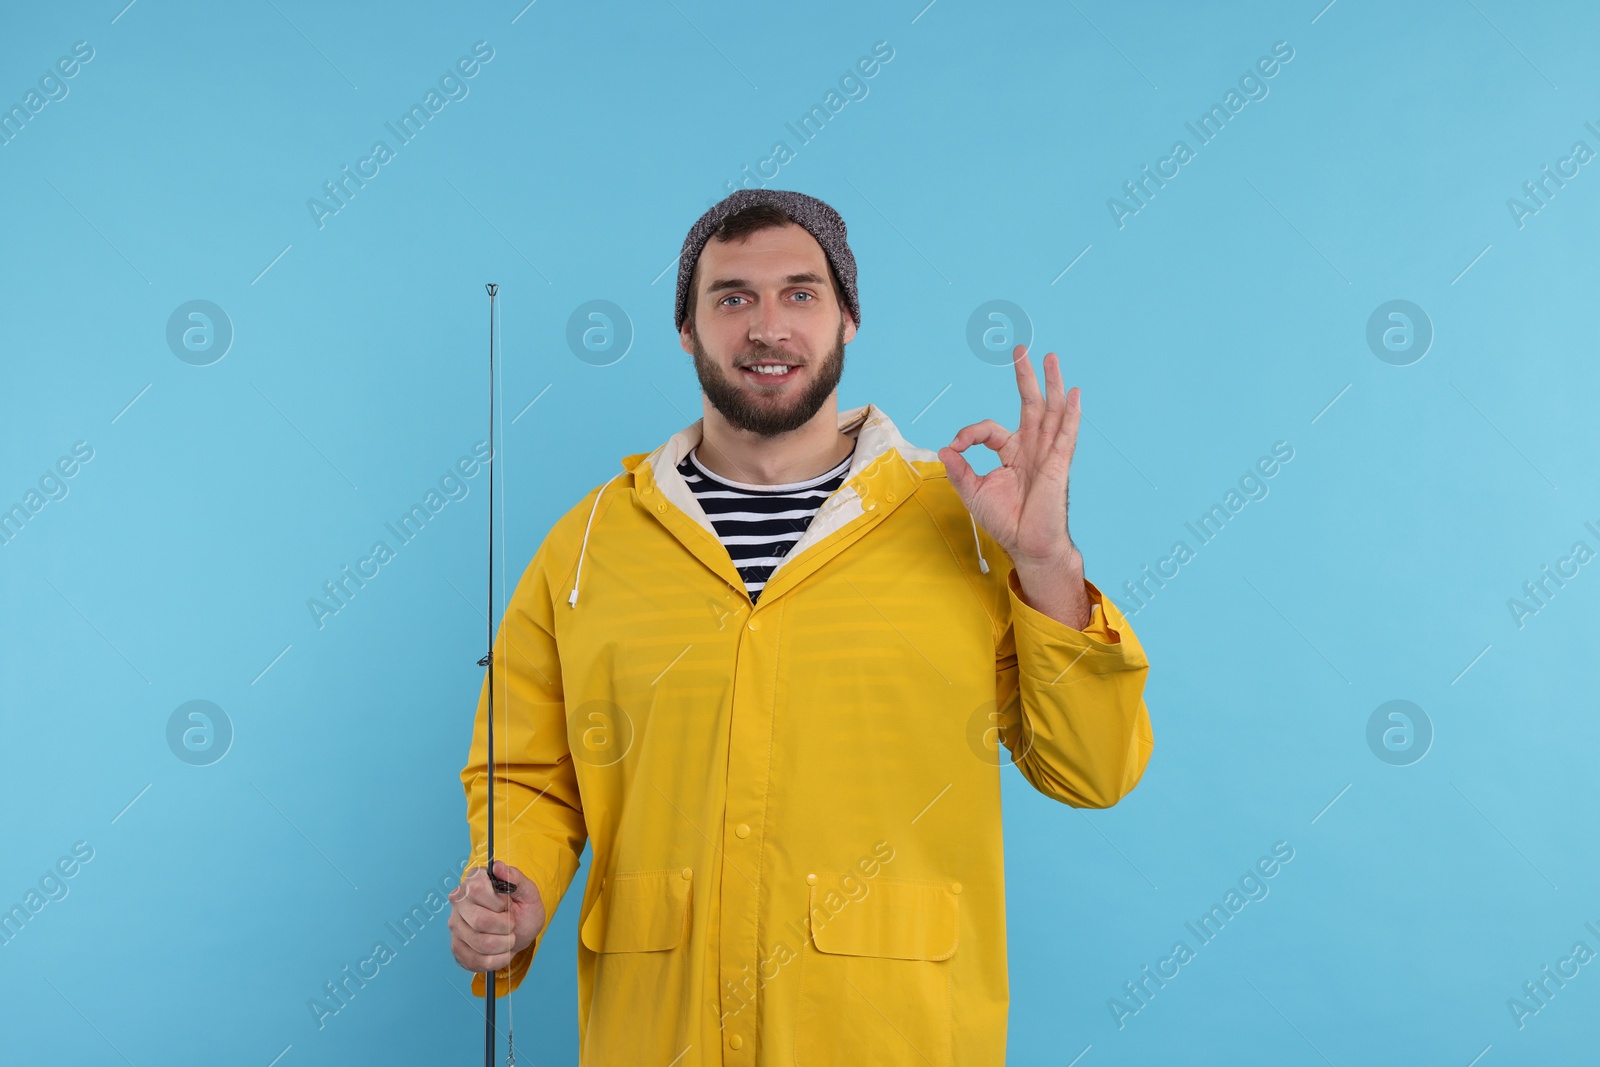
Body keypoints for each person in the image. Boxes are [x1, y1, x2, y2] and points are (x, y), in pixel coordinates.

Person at [448, 188, 1154, 1065]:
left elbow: (1094, 769)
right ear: (687, 329)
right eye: (732, 296)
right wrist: (517, 883)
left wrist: (1049, 566)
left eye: (801, 293)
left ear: (848, 318)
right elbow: (527, 772)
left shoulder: (966, 527)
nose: (767, 327)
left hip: (890, 1035)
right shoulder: (590, 543)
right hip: (656, 1036)